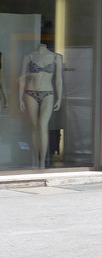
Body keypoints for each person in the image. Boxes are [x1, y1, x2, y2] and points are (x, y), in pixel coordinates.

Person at [17, 40, 63, 168]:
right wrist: (19, 97)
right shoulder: (29, 56)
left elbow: (58, 79)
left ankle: (42, 161)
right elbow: (22, 77)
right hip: (30, 93)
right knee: (35, 127)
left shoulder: (56, 57)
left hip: (48, 93)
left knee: (43, 125)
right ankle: (35, 159)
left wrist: (59, 98)